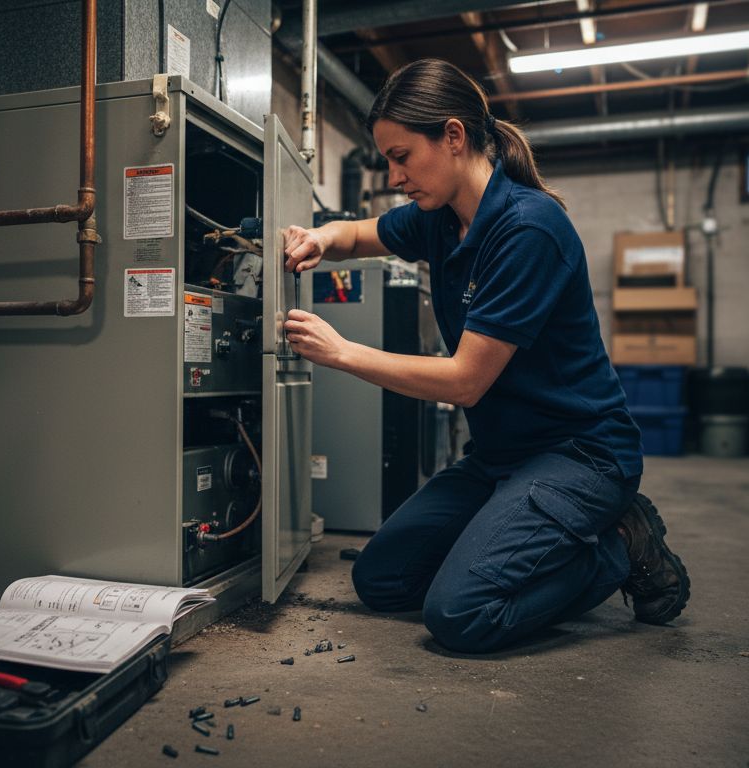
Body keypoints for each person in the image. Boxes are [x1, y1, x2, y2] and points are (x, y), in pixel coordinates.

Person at [281, 59, 690, 654]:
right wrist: (320, 237)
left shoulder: (528, 230)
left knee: (461, 613)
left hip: (579, 456)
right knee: (381, 580)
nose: (395, 176)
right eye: (387, 160)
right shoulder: (440, 220)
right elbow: (356, 233)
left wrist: (342, 352)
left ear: (453, 135)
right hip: (503, 457)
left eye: (401, 157)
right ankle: (514, 538)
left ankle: (619, 547)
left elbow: (466, 381)